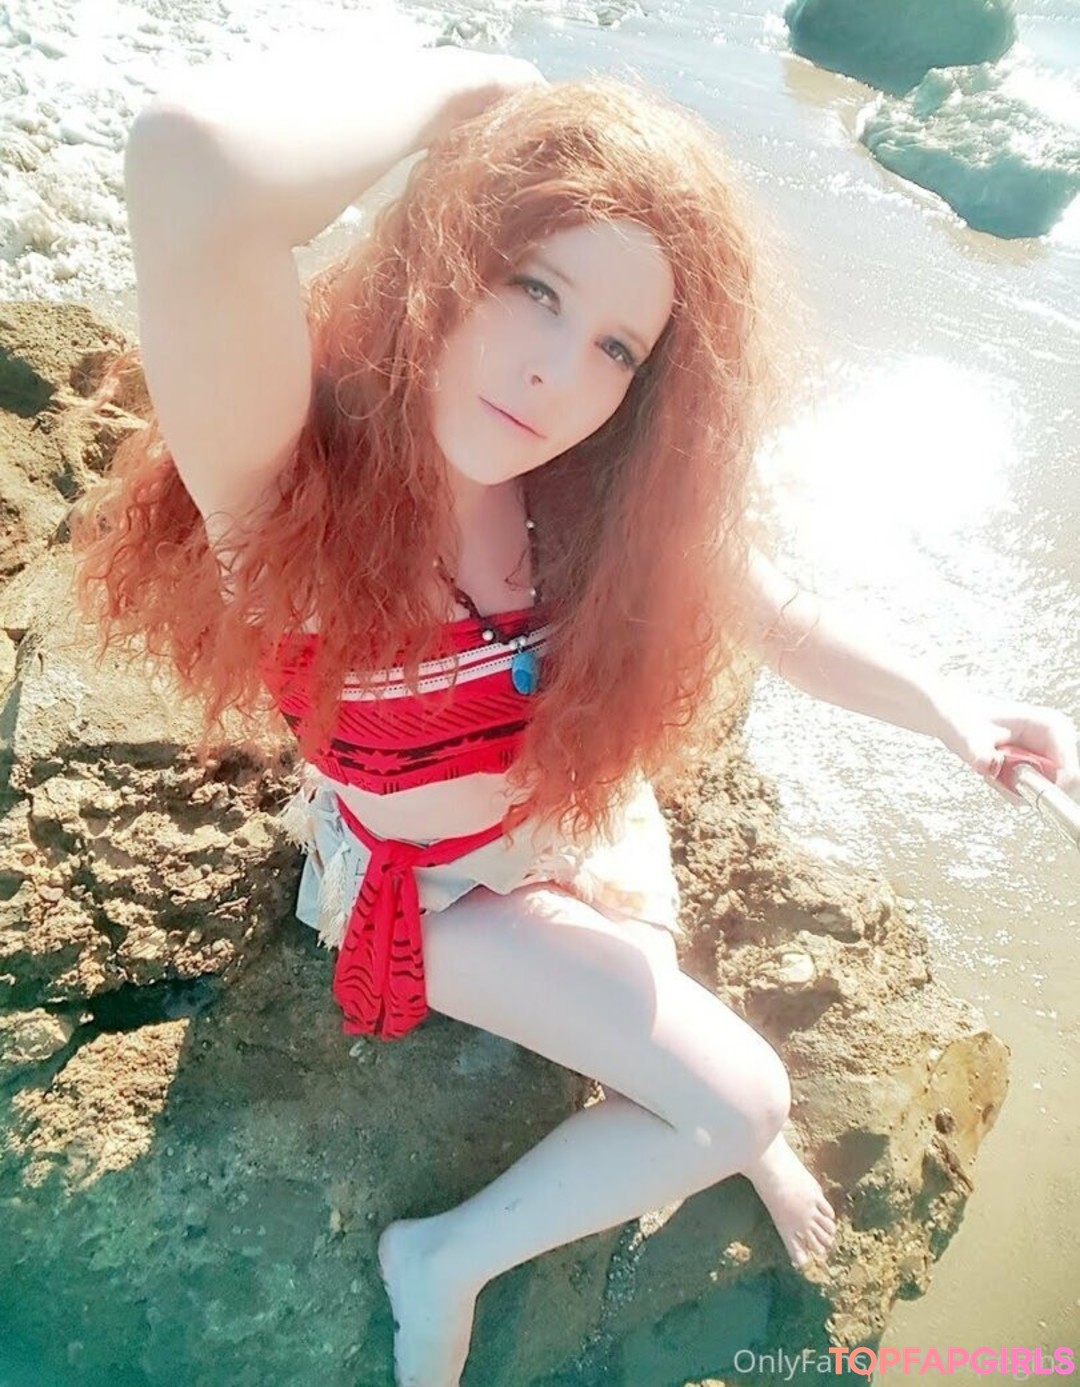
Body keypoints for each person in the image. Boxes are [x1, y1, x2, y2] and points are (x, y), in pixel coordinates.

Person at [68, 37, 1079, 1387]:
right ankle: (446, 1258)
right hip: (433, 892)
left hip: (570, 833)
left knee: (684, 1046)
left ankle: (675, 1097)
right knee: (746, 1100)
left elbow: (774, 616)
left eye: (613, 345)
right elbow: (188, 162)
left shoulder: (574, 490)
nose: (555, 371)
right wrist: (466, 88)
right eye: (532, 285)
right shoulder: (292, 493)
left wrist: (958, 710)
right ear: (448, 253)